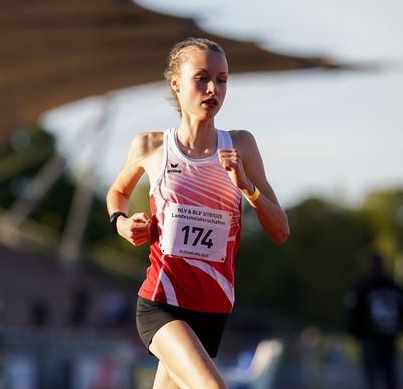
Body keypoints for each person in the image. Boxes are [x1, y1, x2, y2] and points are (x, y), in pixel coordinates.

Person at [106, 37, 289, 389]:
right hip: (163, 303)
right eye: (202, 78)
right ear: (176, 84)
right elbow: (117, 192)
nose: (212, 89)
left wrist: (247, 185)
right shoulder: (151, 146)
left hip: (212, 310)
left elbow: (281, 230)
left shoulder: (241, 145)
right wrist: (122, 222)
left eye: (222, 80)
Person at [345, 252, 403, 389]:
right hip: (388, 338)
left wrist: (355, 332)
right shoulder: (394, 286)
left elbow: (355, 312)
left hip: (371, 338)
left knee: (372, 379)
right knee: (391, 378)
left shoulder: (364, 287)